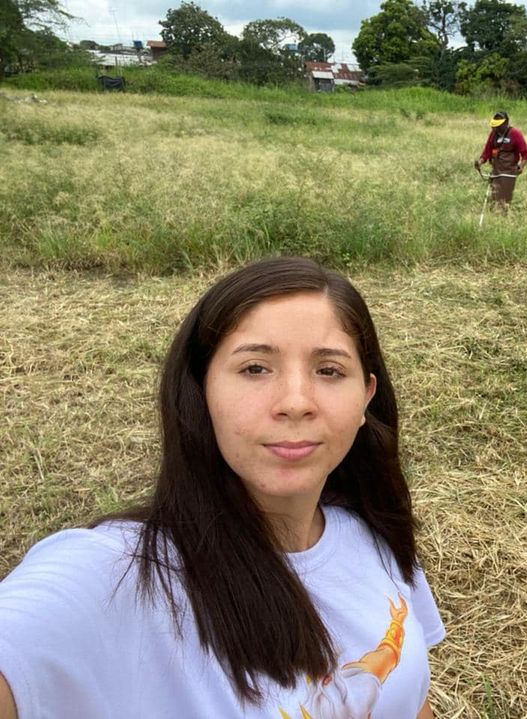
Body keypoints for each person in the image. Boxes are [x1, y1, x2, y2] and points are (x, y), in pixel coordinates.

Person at [0, 257, 445, 719]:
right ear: (202, 390)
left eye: (329, 370)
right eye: (255, 368)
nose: (296, 402)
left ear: (365, 397)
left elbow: (408, 698)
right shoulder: (118, 575)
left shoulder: (377, 532)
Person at [474, 110, 527, 210]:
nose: (496, 128)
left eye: (498, 126)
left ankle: (502, 216)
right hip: (495, 172)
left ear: (506, 123)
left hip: (508, 173)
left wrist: (521, 167)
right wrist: (480, 162)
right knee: (494, 200)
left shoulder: (515, 134)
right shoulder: (493, 134)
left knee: (503, 202)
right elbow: (487, 152)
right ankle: (494, 217)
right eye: (494, 126)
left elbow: (525, 154)